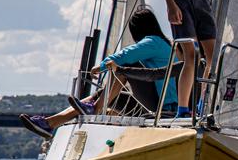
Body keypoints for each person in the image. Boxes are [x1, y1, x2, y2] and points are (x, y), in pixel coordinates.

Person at [19, 8, 178, 139]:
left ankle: (93, 109)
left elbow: (126, 56)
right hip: (158, 103)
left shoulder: (153, 42)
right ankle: (50, 123)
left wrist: (101, 66)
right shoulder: (164, 44)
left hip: (161, 106)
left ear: (137, 29)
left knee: (123, 66)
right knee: (102, 95)